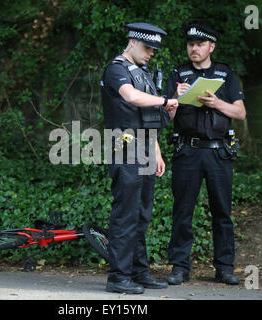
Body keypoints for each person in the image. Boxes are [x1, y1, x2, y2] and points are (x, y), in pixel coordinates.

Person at [164, 24, 246, 285]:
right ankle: (179, 267)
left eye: (199, 44)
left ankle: (224, 268)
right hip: (187, 150)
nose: (194, 49)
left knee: (222, 212)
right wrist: (174, 99)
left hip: (218, 152)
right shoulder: (178, 73)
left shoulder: (225, 73)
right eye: (190, 44)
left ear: (211, 47)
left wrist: (216, 103)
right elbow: (166, 117)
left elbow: (240, 113)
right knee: (182, 211)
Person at [100, 22, 179, 294]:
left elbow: (150, 118)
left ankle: (138, 271)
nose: (151, 54)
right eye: (147, 47)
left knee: (142, 214)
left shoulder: (143, 72)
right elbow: (131, 97)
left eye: (154, 50)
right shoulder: (116, 69)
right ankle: (118, 277)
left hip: (145, 147)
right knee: (126, 215)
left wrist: (156, 151)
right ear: (132, 41)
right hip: (124, 147)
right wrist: (164, 100)